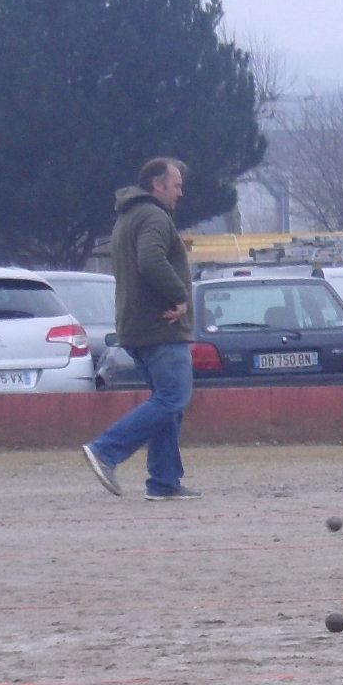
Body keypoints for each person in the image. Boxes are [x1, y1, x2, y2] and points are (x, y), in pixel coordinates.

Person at [82, 157, 200, 501]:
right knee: (173, 397)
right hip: (161, 327)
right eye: (176, 185)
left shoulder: (129, 216)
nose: (181, 192)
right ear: (157, 185)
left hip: (137, 326)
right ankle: (106, 451)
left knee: (169, 402)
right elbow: (150, 260)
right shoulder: (153, 216)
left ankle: (164, 482)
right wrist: (179, 295)